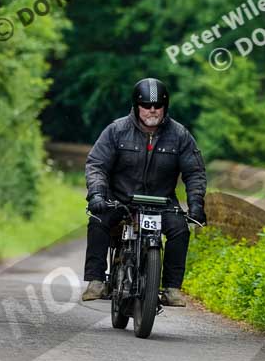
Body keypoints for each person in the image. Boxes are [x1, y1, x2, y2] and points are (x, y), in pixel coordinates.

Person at [82, 77, 207, 306]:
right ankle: (96, 281)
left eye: (157, 105)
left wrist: (197, 204)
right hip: (120, 200)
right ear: (136, 105)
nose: (152, 110)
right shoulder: (116, 131)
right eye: (147, 105)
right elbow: (97, 165)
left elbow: (195, 172)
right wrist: (98, 195)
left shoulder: (180, 135)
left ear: (165, 107)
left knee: (180, 230)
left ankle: (171, 288)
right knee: (98, 220)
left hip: (162, 203)